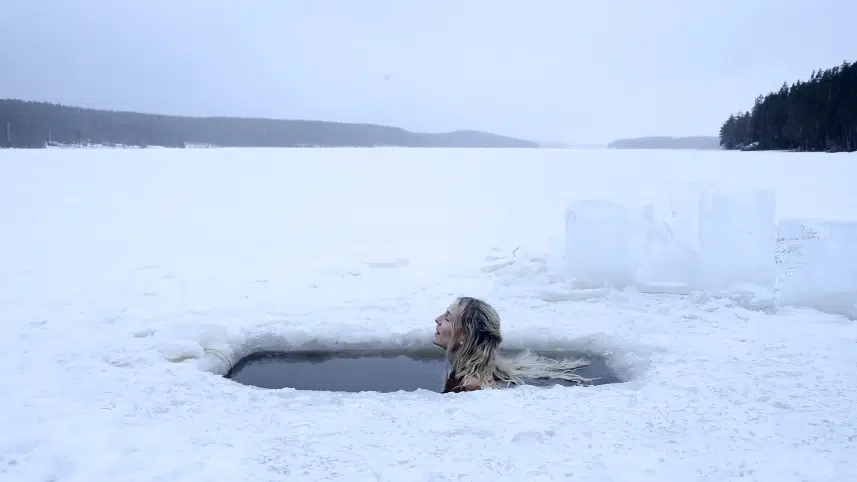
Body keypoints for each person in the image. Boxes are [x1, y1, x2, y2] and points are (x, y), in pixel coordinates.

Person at [433, 296, 592, 393]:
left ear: (465, 335)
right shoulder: (465, 372)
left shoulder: (471, 386)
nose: (437, 319)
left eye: (447, 318)